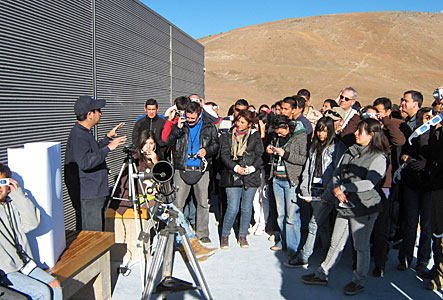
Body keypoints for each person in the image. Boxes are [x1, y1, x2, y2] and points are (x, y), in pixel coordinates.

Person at [301, 118, 389, 296]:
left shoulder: (378, 157)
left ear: (371, 136)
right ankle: (322, 274)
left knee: (361, 246)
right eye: (356, 130)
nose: (356, 133)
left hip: (364, 208)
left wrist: (344, 188)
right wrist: (336, 187)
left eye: (360, 131)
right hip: (345, 204)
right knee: (336, 243)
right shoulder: (350, 151)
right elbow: (336, 172)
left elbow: (370, 183)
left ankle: (358, 281)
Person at [117, 130, 216, 261]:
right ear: (140, 145)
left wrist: (156, 162)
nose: (148, 147)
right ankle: (190, 248)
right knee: (176, 216)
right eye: (145, 144)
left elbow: (164, 183)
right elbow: (129, 187)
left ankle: (191, 246)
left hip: (158, 199)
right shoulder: (135, 162)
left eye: (151, 143)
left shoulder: (157, 160)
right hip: (144, 202)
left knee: (177, 215)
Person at [286, 116, 346, 268]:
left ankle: (304, 257)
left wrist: (329, 192)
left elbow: (338, 172)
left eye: (325, 132)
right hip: (313, 189)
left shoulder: (337, 147)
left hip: (328, 191)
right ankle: (327, 253)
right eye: (319, 131)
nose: (321, 135)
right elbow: (308, 168)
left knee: (314, 224)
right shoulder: (314, 146)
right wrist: (305, 188)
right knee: (322, 223)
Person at [0, 163, 62, 300]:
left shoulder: (13, 204)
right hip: (6, 271)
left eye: (2, 182)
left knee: (55, 285)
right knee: (41, 292)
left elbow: (31, 223)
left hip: (24, 264)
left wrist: (18, 195)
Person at [65, 96, 126, 231]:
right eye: (98, 110)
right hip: (89, 194)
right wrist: (109, 148)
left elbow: (91, 152)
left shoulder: (84, 133)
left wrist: (107, 138)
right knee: (93, 236)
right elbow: (85, 162)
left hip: (94, 192)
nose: (100, 113)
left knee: (96, 232)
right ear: (89, 115)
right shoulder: (79, 135)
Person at [166, 102, 219, 244]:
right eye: (187, 117)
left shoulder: (209, 127)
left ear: (199, 115)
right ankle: (176, 233)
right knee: (178, 204)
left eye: (192, 119)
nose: (189, 121)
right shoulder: (180, 126)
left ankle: (202, 233)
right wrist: (177, 128)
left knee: (202, 203)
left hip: (201, 169)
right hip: (181, 167)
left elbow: (216, 145)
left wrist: (207, 151)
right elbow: (167, 142)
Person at [397, 91, 432, 275]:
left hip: (429, 185)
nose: (420, 121)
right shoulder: (412, 136)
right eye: (418, 118)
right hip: (412, 183)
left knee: (426, 225)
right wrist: (409, 160)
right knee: (409, 223)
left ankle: (423, 260)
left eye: (424, 118)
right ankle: (405, 258)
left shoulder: (436, 138)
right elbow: (403, 154)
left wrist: (426, 163)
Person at [219, 110, 264, 248]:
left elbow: (259, 155)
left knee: (246, 207)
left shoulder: (255, 136)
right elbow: (224, 155)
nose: (238, 124)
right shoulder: (227, 136)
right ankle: (225, 235)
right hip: (233, 175)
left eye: (242, 122)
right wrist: (235, 167)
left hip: (251, 175)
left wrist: (252, 168)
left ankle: (243, 236)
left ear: (250, 124)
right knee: (232, 208)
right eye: (238, 121)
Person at [266, 115, 307, 264]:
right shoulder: (277, 136)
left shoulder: (301, 136)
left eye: (280, 132)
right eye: (276, 132)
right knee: (281, 215)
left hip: (292, 180)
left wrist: (286, 154)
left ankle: (293, 250)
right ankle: (283, 242)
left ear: (287, 127)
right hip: (277, 178)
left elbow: (303, 159)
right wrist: (270, 149)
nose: (278, 135)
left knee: (292, 218)